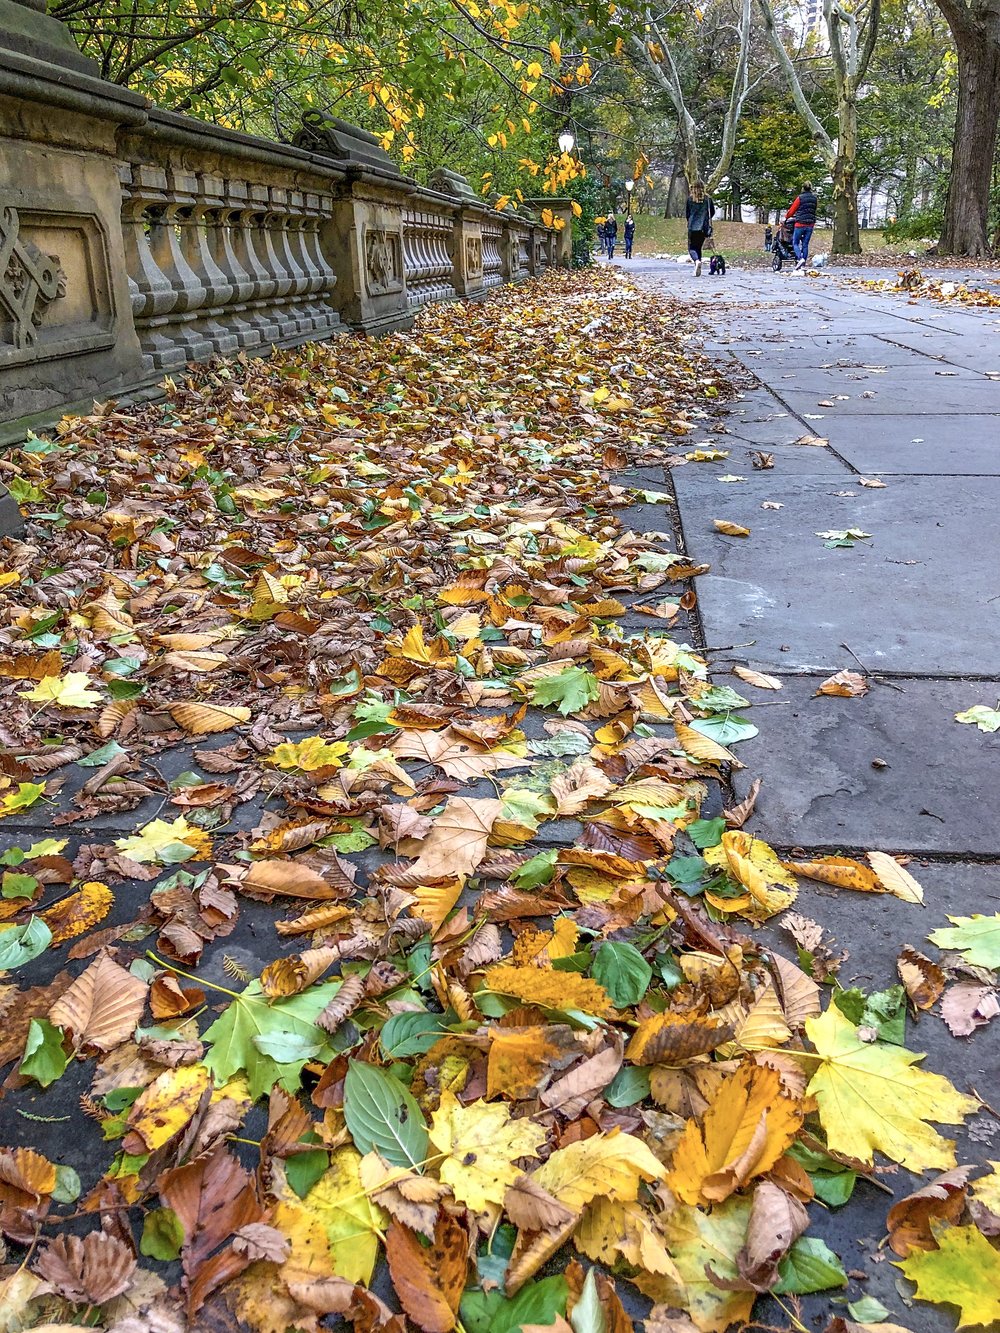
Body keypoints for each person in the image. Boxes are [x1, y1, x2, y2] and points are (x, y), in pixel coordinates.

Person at [785, 181, 818, 270]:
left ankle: (800, 259)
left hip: (800, 224)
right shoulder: (814, 198)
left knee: (795, 243)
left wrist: (787, 217)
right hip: (810, 224)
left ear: (803, 188)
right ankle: (803, 264)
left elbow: (792, 211)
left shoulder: (800, 198)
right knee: (805, 244)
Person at [685, 180, 714, 276]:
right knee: (698, 247)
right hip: (704, 227)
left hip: (693, 227)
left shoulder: (690, 199)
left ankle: (697, 261)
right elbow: (712, 212)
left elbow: (687, 213)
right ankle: (698, 266)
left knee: (692, 248)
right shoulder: (708, 199)